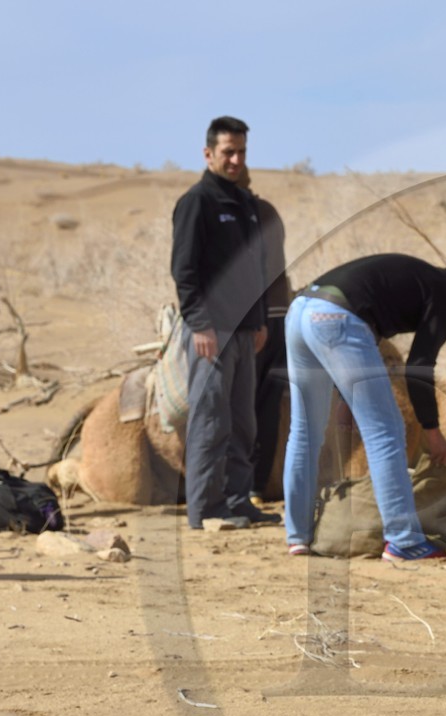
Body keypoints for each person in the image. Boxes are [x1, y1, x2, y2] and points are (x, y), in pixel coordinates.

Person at [282, 252, 446, 561]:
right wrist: (432, 430)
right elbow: (419, 368)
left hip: (299, 312)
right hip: (337, 319)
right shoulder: (445, 298)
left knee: (304, 432)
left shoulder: (421, 272)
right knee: (386, 431)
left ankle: (298, 536)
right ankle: (403, 541)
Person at [170, 115, 269, 530]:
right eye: (228, 152)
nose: (235, 159)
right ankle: (205, 509)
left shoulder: (244, 204)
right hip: (213, 332)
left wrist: (260, 320)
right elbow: (184, 271)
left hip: (247, 331)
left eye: (241, 152)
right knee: (211, 422)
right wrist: (200, 324)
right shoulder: (197, 202)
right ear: (208, 153)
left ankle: (236, 498)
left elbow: (255, 269)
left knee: (243, 422)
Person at [237, 168, 293, 498]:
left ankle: (240, 486)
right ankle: (258, 484)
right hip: (281, 316)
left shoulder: (240, 217)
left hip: (255, 320)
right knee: (269, 405)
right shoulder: (269, 211)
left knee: (241, 402)